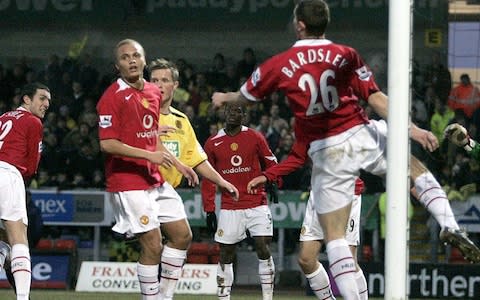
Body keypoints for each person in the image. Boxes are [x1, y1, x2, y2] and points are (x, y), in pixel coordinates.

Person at [211, 1, 480, 298]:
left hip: (329, 151)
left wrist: (225, 97)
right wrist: (413, 129)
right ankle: (449, 223)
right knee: (413, 168)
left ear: (300, 24)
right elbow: (376, 99)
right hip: (362, 131)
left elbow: (245, 99)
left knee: (336, 238)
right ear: (325, 23)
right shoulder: (345, 55)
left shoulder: (279, 63)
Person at [96, 38, 199, 300]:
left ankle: (165, 296)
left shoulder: (153, 92)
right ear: (117, 66)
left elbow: (149, 136)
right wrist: (149, 155)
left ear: (144, 59)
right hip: (127, 181)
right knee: (153, 244)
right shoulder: (111, 97)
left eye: (135, 55)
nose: (131, 60)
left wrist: (179, 164)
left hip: (153, 178)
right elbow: (107, 144)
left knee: (182, 235)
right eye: (124, 57)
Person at [248, 139, 368, 300]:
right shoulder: (307, 122)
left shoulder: (344, 118)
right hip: (319, 193)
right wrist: (267, 176)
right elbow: (296, 158)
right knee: (306, 259)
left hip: (345, 192)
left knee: (347, 262)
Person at [148, 58, 239, 245]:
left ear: (175, 85)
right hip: (141, 189)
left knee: (182, 238)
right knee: (153, 246)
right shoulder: (140, 112)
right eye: (154, 80)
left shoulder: (181, 120)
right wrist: (146, 134)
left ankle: (166, 276)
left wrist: (222, 182)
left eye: (164, 80)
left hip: (166, 191)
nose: (159, 85)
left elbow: (197, 160)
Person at [201, 102, 279, 300]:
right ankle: (224, 297)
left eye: (237, 111)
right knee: (225, 253)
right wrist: (209, 208)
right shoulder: (212, 142)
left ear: (244, 116)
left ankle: (268, 297)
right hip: (230, 206)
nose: (233, 114)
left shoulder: (254, 136)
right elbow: (207, 177)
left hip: (257, 202)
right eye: (229, 110)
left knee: (262, 246)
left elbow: (271, 161)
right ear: (223, 114)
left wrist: (273, 180)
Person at [0, 82, 50, 300]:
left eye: (48, 100)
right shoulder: (33, 121)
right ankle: (22, 297)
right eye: (42, 98)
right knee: (18, 237)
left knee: (1, 240)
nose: (46, 104)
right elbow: (31, 166)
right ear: (26, 99)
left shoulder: (2, 118)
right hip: (8, 173)